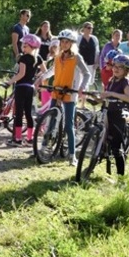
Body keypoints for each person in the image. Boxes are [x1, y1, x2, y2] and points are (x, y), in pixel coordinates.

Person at [41, 29, 91, 165]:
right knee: (51, 119)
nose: (64, 44)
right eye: (62, 42)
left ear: (72, 43)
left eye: (66, 42)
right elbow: (52, 70)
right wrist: (41, 78)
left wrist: (82, 88)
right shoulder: (58, 56)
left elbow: (87, 74)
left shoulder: (76, 58)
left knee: (69, 125)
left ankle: (72, 155)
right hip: (57, 91)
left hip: (70, 93)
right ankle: (43, 148)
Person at [99, 54, 129, 177]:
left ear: (126, 70)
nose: (116, 69)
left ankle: (121, 175)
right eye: (115, 66)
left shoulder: (125, 82)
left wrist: (112, 93)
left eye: (120, 67)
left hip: (117, 114)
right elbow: (107, 95)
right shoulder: (111, 80)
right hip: (106, 111)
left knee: (116, 147)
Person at [7, 33, 40, 145]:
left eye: (25, 45)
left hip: (21, 87)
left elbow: (21, 74)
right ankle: (30, 138)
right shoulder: (37, 59)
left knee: (19, 113)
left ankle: (17, 138)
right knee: (28, 113)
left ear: (32, 47)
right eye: (23, 45)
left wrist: (10, 81)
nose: (23, 47)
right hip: (30, 88)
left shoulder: (23, 58)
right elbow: (44, 71)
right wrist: (36, 78)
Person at [78, 21, 100, 89]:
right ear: (84, 28)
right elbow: (75, 50)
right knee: (80, 80)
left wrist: (97, 63)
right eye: (88, 28)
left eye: (91, 28)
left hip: (91, 63)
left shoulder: (94, 39)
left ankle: (85, 96)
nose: (90, 29)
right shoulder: (79, 38)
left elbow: (97, 51)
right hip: (81, 63)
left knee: (89, 80)